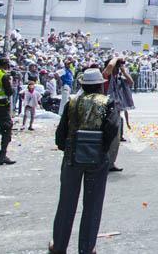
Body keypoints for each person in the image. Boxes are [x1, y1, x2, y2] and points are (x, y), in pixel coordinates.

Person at [50, 67, 120, 254]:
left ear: (82, 85)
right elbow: (113, 128)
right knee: (93, 203)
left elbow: (60, 133)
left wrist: (67, 147)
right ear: (100, 86)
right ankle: (87, 247)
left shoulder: (72, 102)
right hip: (97, 157)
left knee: (66, 202)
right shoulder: (108, 102)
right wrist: (101, 147)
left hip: (72, 156)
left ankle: (59, 245)